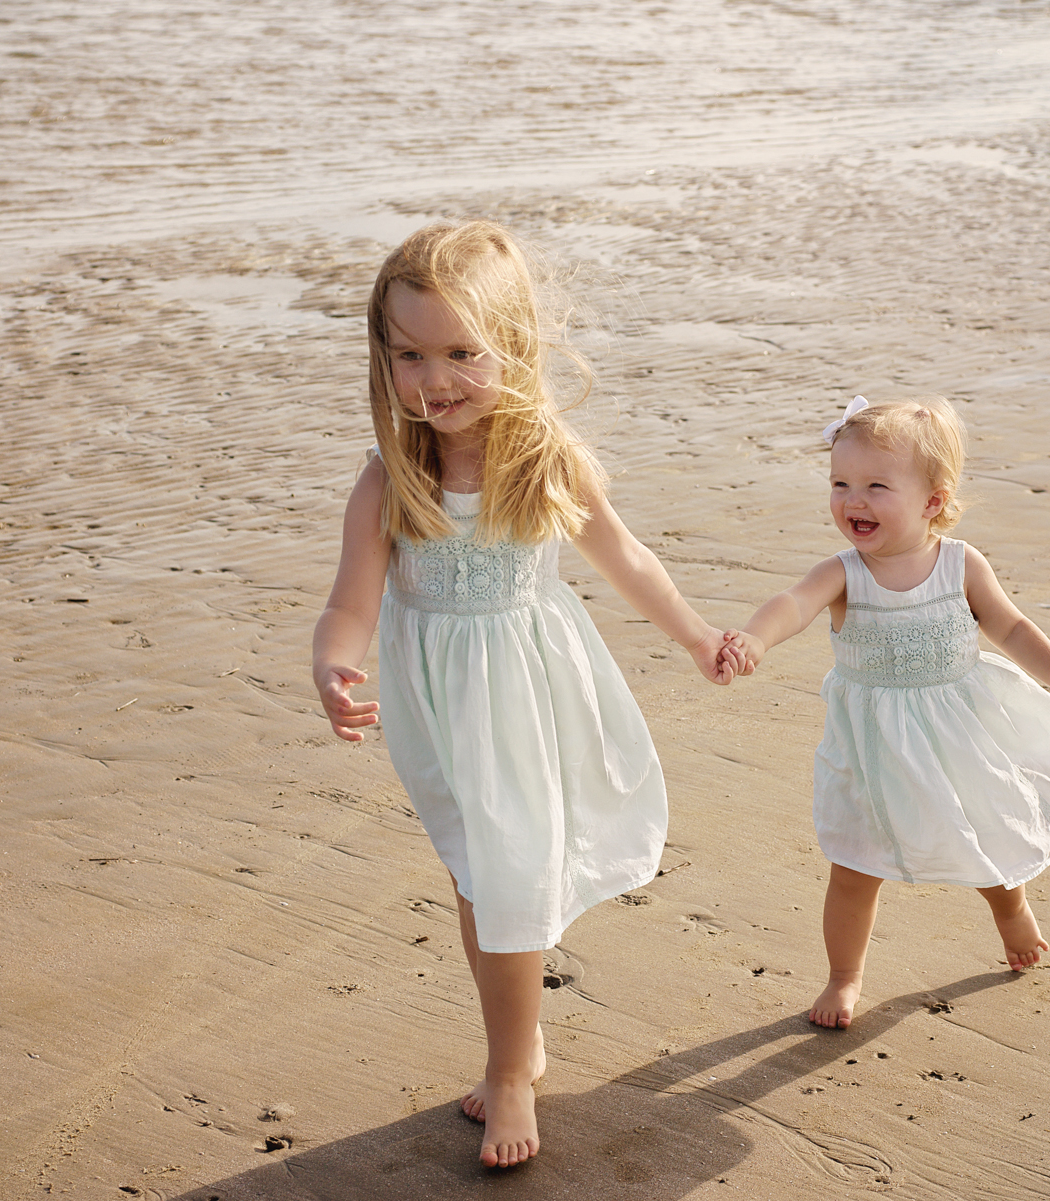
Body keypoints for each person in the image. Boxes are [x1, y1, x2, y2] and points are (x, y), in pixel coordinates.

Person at [312, 220, 737, 1167]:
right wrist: (334, 665)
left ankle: (509, 1069)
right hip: (439, 710)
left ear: (514, 346)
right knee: (479, 872)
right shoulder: (388, 482)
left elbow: (628, 562)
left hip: (533, 695)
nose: (438, 379)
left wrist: (700, 636)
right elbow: (350, 602)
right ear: (384, 359)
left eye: (464, 352)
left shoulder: (544, 460)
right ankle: (520, 1034)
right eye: (412, 355)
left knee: (507, 872)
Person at [722, 395, 1050, 1030]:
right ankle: (844, 975)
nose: (853, 501)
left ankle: (1009, 908)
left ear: (932, 501)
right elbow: (792, 604)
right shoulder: (842, 574)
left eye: (876, 486)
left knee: (984, 831)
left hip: (959, 731)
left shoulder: (961, 566)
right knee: (854, 867)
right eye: (840, 484)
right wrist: (753, 637)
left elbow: (1012, 628)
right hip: (872, 747)